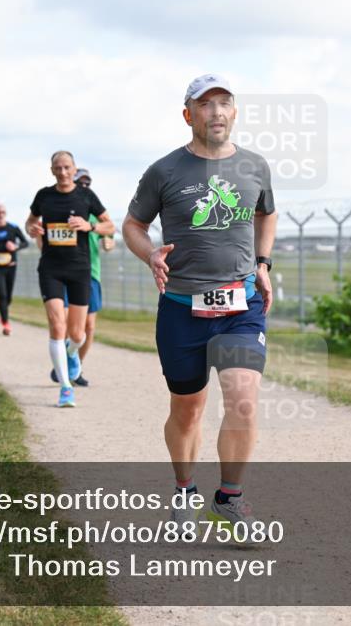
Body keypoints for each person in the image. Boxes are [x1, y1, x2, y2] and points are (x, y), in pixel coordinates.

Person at [121, 74, 277, 540]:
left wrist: (263, 263)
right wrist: (150, 254)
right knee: (188, 409)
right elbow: (132, 224)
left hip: (241, 304)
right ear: (188, 114)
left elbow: (266, 213)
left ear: (235, 112)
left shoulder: (255, 166)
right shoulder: (165, 171)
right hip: (181, 308)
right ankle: (185, 490)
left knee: (243, 398)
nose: (216, 112)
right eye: (205, 104)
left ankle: (229, 498)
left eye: (224, 102)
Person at [25, 150, 114, 408]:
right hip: (51, 268)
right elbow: (30, 222)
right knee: (57, 326)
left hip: (79, 269)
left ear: (74, 169)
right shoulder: (44, 196)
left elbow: (110, 226)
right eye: (58, 168)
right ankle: (66, 387)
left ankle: (72, 352)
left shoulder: (86, 196)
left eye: (67, 167)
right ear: (52, 170)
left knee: (77, 334)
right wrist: (32, 229)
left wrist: (90, 226)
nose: (63, 172)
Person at [49, 168, 116, 386]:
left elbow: (109, 236)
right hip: (65, 272)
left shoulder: (95, 213)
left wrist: (108, 242)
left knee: (89, 327)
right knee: (66, 322)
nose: (84, 187)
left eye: (88, 184)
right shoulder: (64, 210)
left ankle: (75, 365)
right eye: (81, 183)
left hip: (91, 273)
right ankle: (63, 361)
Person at [0, 203, 30, 335]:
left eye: (2, 212)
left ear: (5, 214)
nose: (0, 214)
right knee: (2, 294)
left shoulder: (13, 228)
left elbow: (25, 243)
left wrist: (15, 247)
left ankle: (3, 313)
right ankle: (6, 323)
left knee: (8, 297)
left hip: (11, 266)